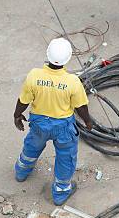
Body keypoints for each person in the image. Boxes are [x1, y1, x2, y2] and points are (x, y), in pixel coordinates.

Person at [13, 38, 93, 205]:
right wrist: (87, 121)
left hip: (39, 124)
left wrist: (17, 115)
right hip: (63, 126)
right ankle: (61, 193)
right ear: (68, 58)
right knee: (65, 157)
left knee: (31, 147)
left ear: (47, 55)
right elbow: (81, 106)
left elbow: (23, 100)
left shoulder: (34, 75)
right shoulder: (72, 81)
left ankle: (21, 172)